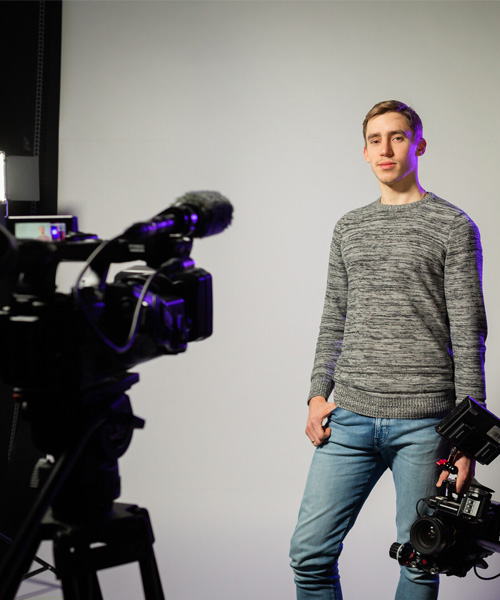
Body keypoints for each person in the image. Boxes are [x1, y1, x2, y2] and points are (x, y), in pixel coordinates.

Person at [289, 100, 487, 600]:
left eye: (397, 137)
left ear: (418, 145)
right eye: (376, 139)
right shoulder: (349, 227)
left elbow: (469, 333)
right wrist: (317, 394)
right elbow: (334, 314)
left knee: (421, 563)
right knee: (310, 555)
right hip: (350, 416)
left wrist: (467, 441)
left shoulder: (452, 226)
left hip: (425, 422)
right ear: (364, 151)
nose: (386, 148)